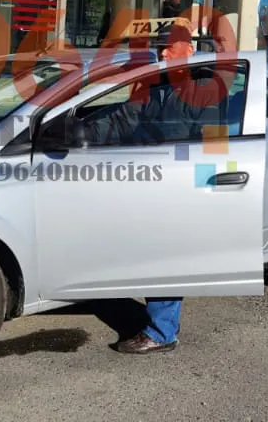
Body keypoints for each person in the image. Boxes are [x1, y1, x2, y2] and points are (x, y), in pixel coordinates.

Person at [83, 23, 199, 354]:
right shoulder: (157, 85)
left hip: (181, 181)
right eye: (159, 47)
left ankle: (162, 332)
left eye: (168, 47)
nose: (161, 52)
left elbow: (211, 140)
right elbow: (122, 120)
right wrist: (81, 131)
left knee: (163, 252)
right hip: (149, 177)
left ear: (188, 50)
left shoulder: (204, 87)